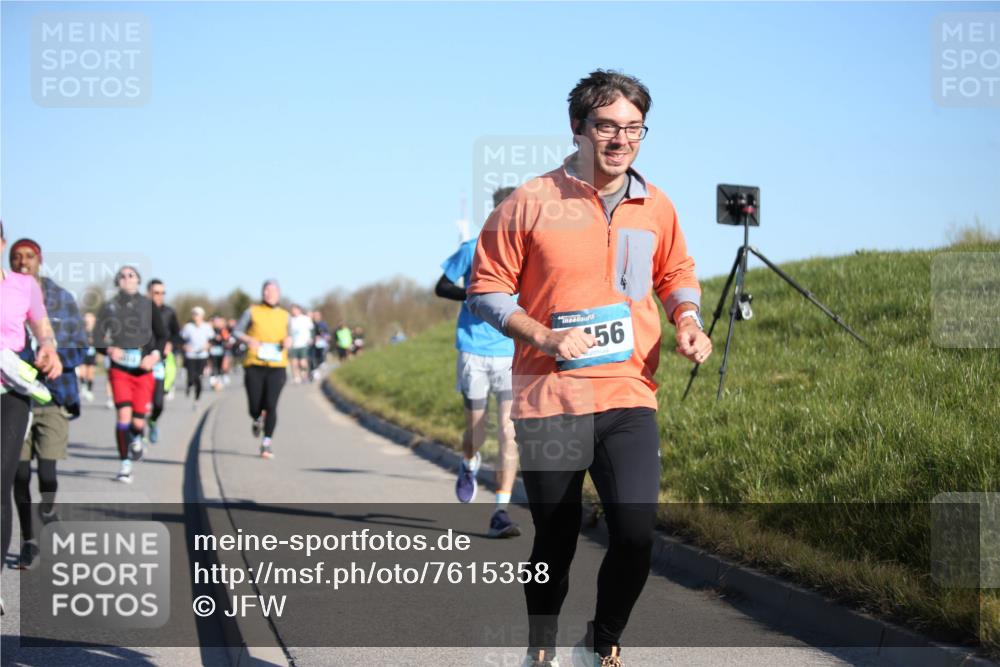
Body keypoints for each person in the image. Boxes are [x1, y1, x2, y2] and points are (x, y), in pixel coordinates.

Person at [468, 70, 713, 667]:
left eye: (634, 128)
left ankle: (601, 646)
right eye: (607, 126)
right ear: (577, 127)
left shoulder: (656, 206)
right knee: (555, 540)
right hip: (549, 397)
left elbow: (676, 273)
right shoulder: (531, 201)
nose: (621, 140)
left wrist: (687, 319)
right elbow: (486, 290)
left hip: (629, 393)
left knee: (635, 533)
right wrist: (543, 335)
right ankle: (540, 650)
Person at [436, 186, 521, 538]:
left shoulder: (529, 252)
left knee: (508, 432)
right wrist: (472, 294)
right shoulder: (472, 249)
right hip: (473, 349)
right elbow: (442, 286)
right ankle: (468, 462)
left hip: (511, 352)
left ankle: (500, 510)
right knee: (476, 430)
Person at [8, 238, 87, 569]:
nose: (23, 262)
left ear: (39, 260)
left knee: (48, 475)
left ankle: (49, 507)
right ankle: (29, 540)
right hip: (16, 394)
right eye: (16, 257)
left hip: (53, 395)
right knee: (19, 475)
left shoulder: (61, 299)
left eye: (29, 256)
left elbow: (80, 346)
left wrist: (54, 357)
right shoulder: (7, 295)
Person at [1, 222, 63, 599]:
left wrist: (48, 348)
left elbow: (42, 328)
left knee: (5, 477)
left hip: (12, 390)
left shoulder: (24, 287)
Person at [94, 265, 167, 483]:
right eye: (122, 276)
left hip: (143, 369)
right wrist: (109, 349)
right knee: (123, 416)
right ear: (118, 281)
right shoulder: (109, 306)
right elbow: (97, 337)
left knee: (137, 422)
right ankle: (125, 464)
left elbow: (162, 336)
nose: (127, 278)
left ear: (138, 281)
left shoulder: (148, 305)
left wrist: (154, 356)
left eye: (131, 275)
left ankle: (137, 437)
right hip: (120, 370)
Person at [233, 280, 291, 459]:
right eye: (266, 290)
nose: (269, 293)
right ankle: (257, 418)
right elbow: (236, 331)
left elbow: (291, 336)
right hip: (254, 363)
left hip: (277, 365)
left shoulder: (285, 315)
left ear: (278, 294)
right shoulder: (252, 311)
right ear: (262, 293)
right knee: (254, 405)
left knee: (271, 405)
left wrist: (289, 341)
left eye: (273, 290)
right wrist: (248, 340)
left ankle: (266, 443)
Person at [146, 279, 181, 443]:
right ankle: (137, 435)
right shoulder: (140, 311)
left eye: (163, 293)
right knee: (140, 402)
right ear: (148, 293)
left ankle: (152, 421)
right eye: (156, 293)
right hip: (142, 361)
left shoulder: (169, 312)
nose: (160, 296)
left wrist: (170, 344)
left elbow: (177, 334)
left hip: (160, 361)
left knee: (158, 403)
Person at [180, 307, 213, 405]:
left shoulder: (207, 327)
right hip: (191, 355)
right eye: (194, 314)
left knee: (199, 377)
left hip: (202, 356)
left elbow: (212, 339)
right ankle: (189, 385)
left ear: (202, 316)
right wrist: (184, 346)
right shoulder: (188, 327)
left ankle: (197, 399)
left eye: (197, 314)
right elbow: (181, 339)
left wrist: (208, 345)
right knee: (191, 377)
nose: (195, 316)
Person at [287, 305, 313, 383]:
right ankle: (296, 377)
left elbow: (312, 329)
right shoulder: (290, 319)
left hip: (303, 343)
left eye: (295, 310)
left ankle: (304, 375)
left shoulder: (305, 319)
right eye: (292, 310)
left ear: (299, 310)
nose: (293, 312)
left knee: (302, 362)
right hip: (293, 344)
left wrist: (311, 338)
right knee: (294, 362)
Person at [78, 312, 98, 402]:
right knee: (82, 372)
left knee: (90, 373)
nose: (88, 319)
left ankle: (89, 390)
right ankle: (83, 386)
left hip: (92, 354)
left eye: (90, 317)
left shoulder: (96, 330)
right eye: (87, 317)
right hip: (83, 353)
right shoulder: (81, 330)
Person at [208, 315, 230, 389]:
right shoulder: (210, 329)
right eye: (215, 322)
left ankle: (219, 381)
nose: (217, 323)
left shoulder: (223, 330)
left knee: (220, 366)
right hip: (212, 350)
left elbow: (227, 339)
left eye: (218, 322)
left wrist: (222, 338)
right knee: (213, 365)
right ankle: (212, 381)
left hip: (220, 350)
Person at [309, 310, 330, 381]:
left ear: (320, 316)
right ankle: (314, 371)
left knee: (321, 355)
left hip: (322, 343)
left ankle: (321, 364)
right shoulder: (310, 323)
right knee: (313, 358)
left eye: (317, 315)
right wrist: (313, 338)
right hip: (312, 344)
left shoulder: (323, 324)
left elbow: (327, 333)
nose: (316, 316)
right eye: (315, 315)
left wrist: (325, 336)